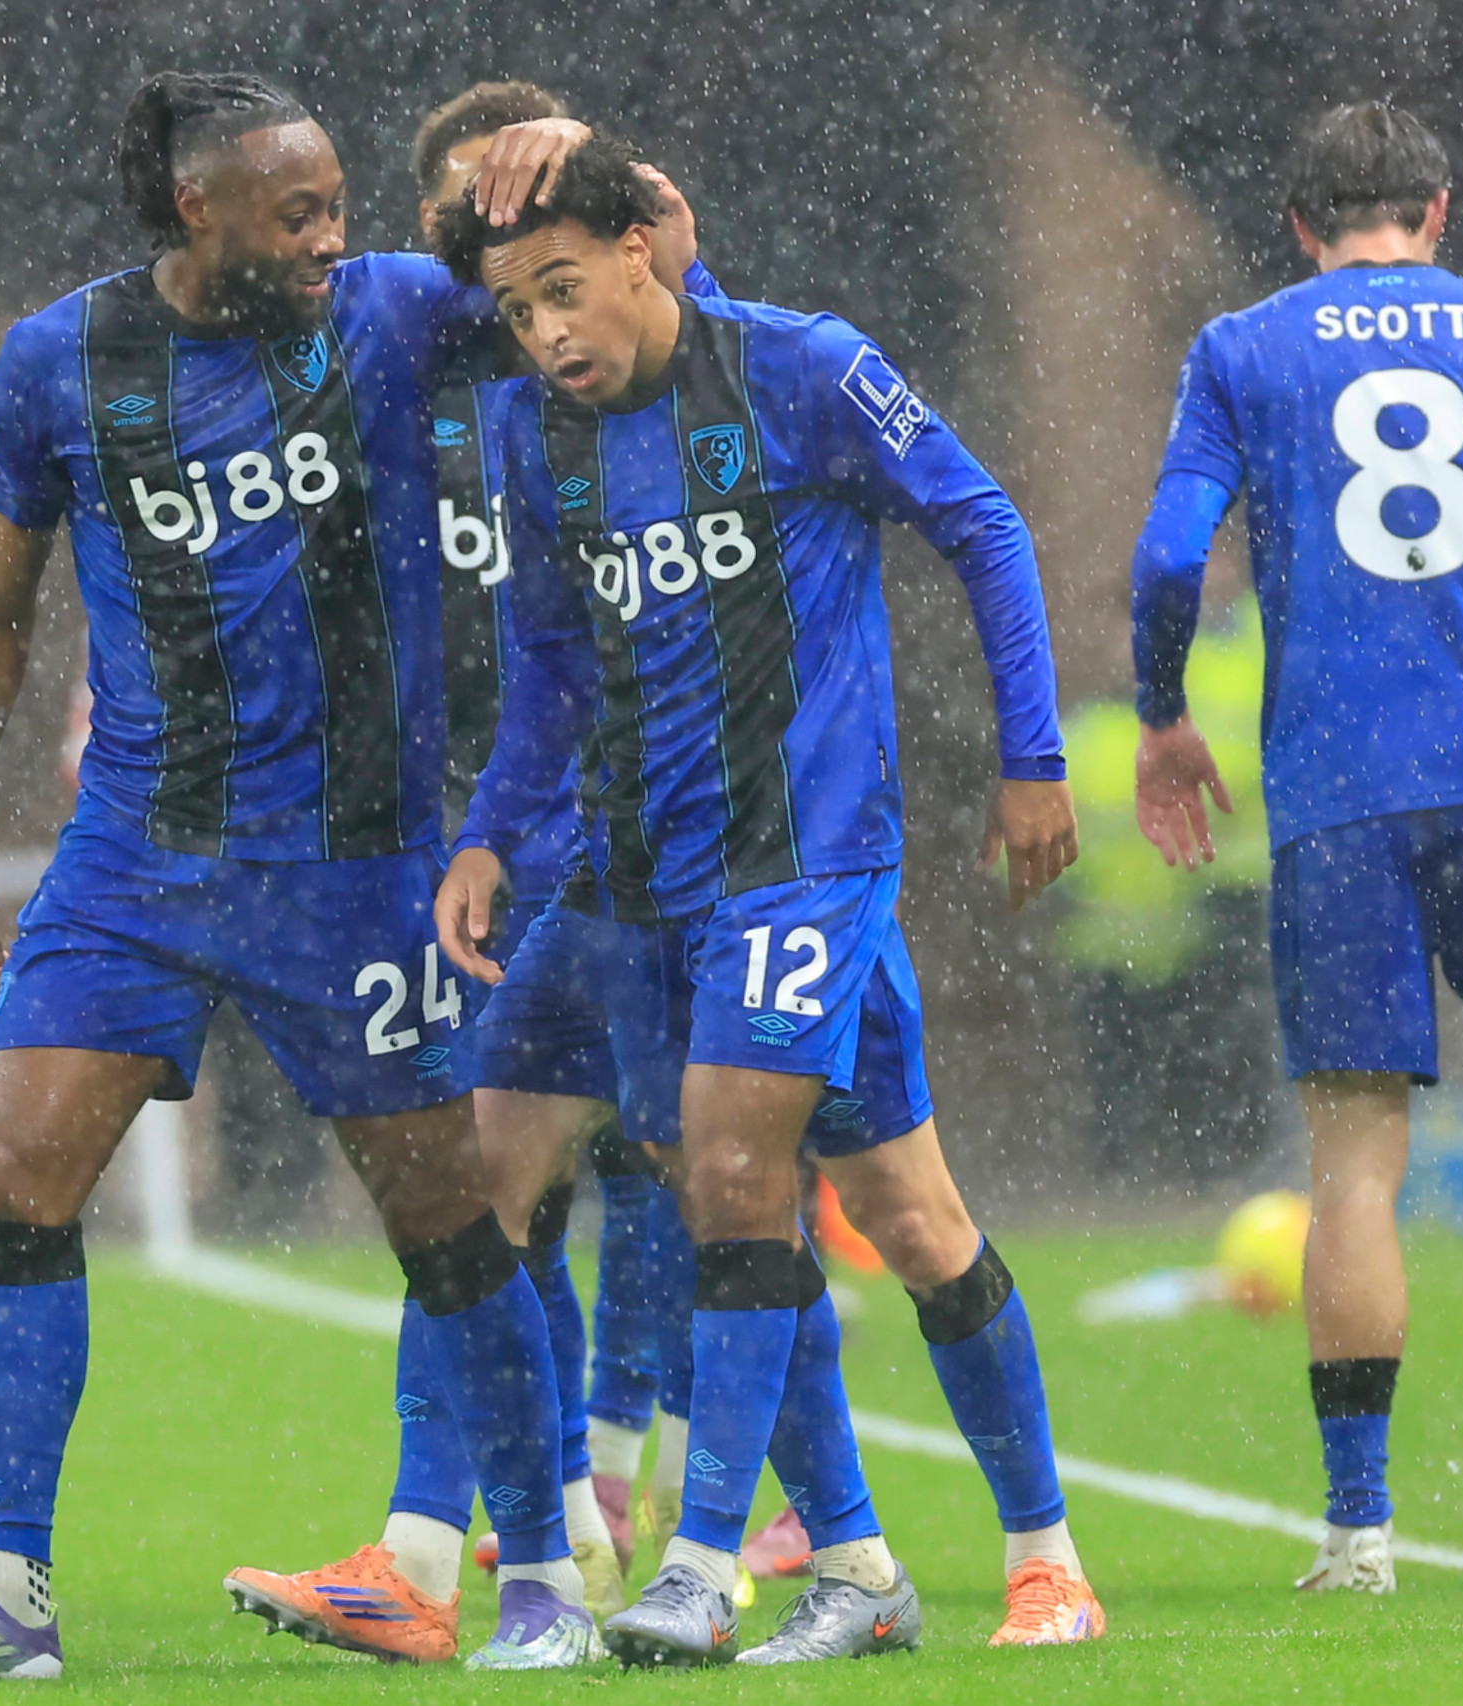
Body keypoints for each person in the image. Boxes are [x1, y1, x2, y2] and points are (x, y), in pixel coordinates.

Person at [0, 71, 602, 1680]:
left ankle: (540, 1588)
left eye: (336, 205)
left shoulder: (389, 314)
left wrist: (580, 174)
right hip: (138, 856)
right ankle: (5, 1593)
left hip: (352, 865)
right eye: (298, 209)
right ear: (199, 211)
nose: (332, 232)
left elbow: (639, 281)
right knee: (17, 1179)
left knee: (450, 1221)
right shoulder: (62, 361)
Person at [431, 136, 1085, 1663]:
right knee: (911, 1218)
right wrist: (488, 832)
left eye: (567, 291)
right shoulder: (536, 437)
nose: (549, 334)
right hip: (651, 885)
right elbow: (544, 663)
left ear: (644, 252)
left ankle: (706, 1563)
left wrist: (1033, 757)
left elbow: (981, 521)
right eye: (519, 310)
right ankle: (875, 1565)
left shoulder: (801, 370)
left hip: (810, 860)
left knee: (731, 1174)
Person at [220, 82, 717, 1654]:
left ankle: (498, 1531)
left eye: (534, 234)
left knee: (550, 1181)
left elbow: (684, 270)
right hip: (457, 830)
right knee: (512, 1187)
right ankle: (580, 1503)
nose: (498, 272)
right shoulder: (434, 383)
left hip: (604, 822)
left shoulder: (621, 381)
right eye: (470, 248)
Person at [1130, 100, 1463, 1591]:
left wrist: (1165, 710)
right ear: (1436, 209)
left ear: (1299, 228)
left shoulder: (1244, 348)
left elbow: (1172, 552)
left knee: (1355, 1155)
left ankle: (1358, 1530)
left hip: (1340, 794)